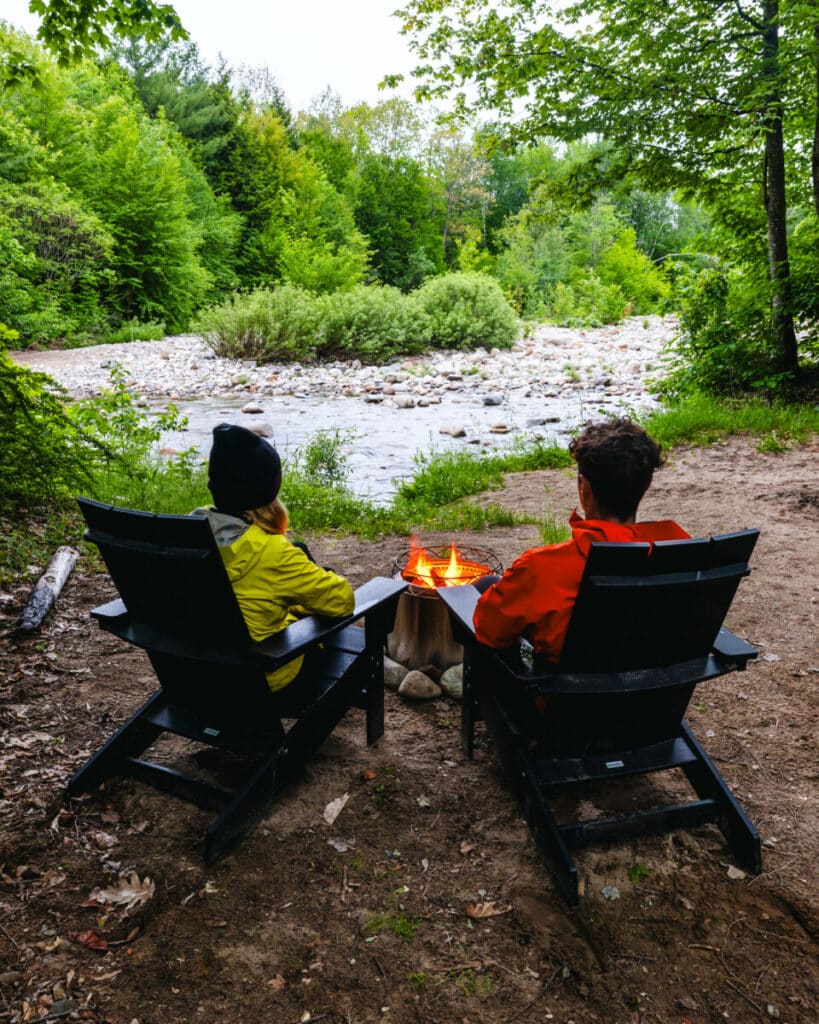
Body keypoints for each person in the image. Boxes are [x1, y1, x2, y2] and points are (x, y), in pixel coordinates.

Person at [473, 418, 690, 664]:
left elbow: (489, 631)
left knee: (486, 588)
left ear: (584, 487)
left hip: (562, 699)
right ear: (647, 484)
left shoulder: (542, 568)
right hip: (655, 692)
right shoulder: (681, 551)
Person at [195, 422, 355, 692]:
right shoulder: (273, 554)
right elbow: (342, 601)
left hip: (196, 673)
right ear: (268, 491)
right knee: (318, 596)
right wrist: (297, 607)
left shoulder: (186, 533)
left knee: (299, 555)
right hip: (261, 680)